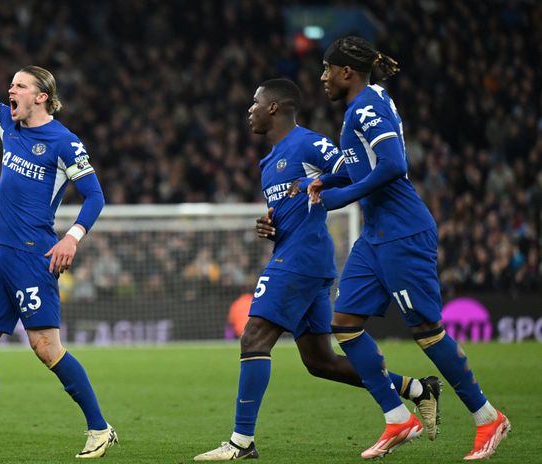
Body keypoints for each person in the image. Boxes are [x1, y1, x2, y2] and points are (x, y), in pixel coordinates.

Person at [193, 79, 439, 461]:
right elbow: (293, 208)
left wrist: (318, 181)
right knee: (319, 362)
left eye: (254, 102)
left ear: (274, 107)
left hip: (301, 259)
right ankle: (416, 390)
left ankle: (242, 442)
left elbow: (352, 172)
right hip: (296, 254)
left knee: (253, 337)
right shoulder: (267, 163)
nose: (249, 109)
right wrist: (270, 225)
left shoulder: (309, 143)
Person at [302, 36, 510, 460]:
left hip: (402, 231)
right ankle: (399, 418)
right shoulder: (360, 105)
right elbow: (366, 166)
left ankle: (488, 417)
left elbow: (396, 165)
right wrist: (332, 181)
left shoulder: (367, 105)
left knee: (426, 332)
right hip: (376, 236)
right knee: (344, 324)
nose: (322, 77)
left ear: (347, 72)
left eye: (327, 69)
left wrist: (341, 198)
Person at [0, 6, 114, 460]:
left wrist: (72, 236)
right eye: (12, 85)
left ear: (41, 96)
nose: (9, 90)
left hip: (34, 253)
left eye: (18, 85)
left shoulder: (65, 142)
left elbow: (95, 197)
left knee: (44, 346)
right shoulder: (7, 125)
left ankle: (100, 428)